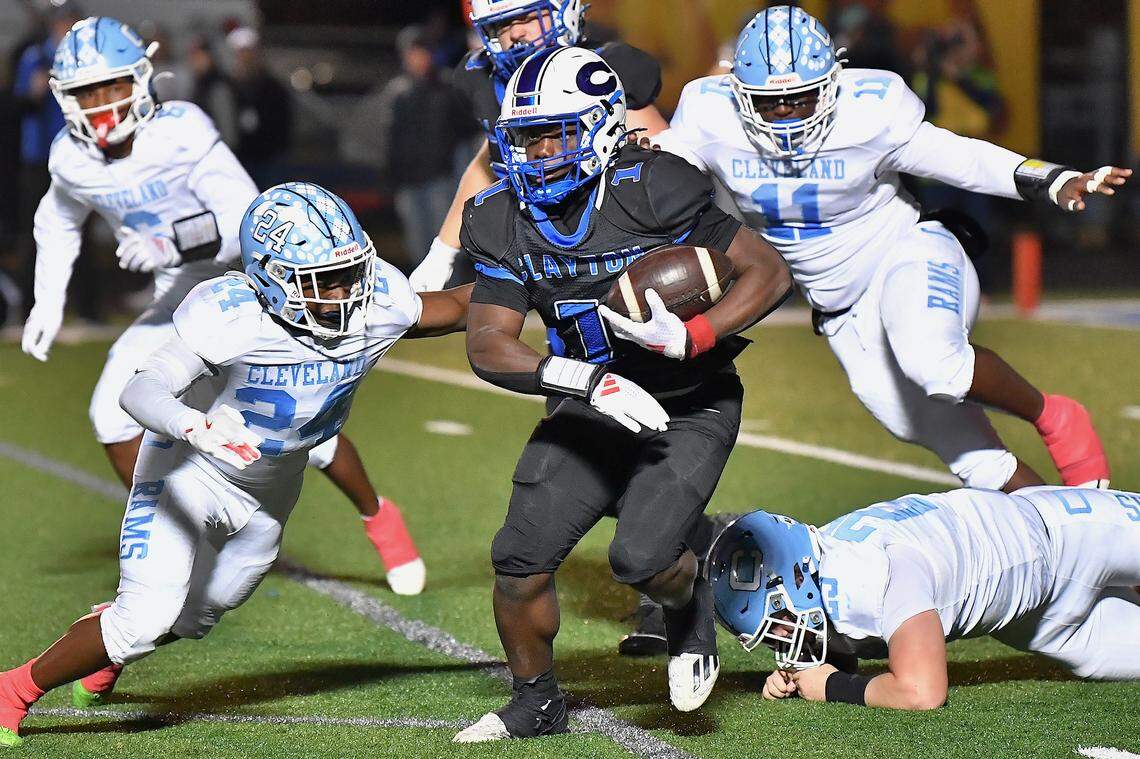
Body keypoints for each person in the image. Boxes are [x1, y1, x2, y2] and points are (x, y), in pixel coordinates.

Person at [0, 182, 473, 749]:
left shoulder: (378, 301)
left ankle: (109, 641)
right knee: (145, 618)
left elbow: (458, 308)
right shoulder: (230, 314)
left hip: (272, 490)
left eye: (350, 271)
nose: (346, 292)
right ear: (271, 279)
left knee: (197, 617)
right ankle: (14, 689)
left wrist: (549, 285)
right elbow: (141, 391)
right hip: (187, 471)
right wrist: (192, 424)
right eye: (324, 280)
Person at [19, 17, 425, 670]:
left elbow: (246, 217)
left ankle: (380, 516)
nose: (101, 108)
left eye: (110, 88)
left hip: (252, 279)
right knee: (116, 409)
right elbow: (56, 219)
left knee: (306, 420)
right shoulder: (70, 156)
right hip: (180, 292)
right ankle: (170, 536)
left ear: (141, 79)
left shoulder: (180, 129)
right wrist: (47, 298)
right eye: (86, 94)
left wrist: (172, 239)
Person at [452, 48, 792, 742]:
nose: (540, 153)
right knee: (519, 558)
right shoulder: (499, 217)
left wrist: (696, 334)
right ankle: (536, 701)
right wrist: (578, 378)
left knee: (640, 559)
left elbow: (768, 270)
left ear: (606, 127)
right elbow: (488, 339)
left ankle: (689, 602)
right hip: (589, 403)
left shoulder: (655, 187)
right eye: (526, 138)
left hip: (689, 399)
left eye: (558, 133)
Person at [656, 5, 1130, 494]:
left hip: (906, 252)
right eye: (769, 101)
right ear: (738, 92)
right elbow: (656, 175)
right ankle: (1076, 538)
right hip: (839, 309)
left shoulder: (872, 111)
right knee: (968, 457)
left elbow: (960, 157)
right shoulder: (710, 114)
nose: (785, 112)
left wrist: (1052, 179)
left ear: (832, 82)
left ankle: (1052, 415)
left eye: (800, 98)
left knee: (937, 366)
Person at [707, 485, 1140, 710]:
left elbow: (922, 692)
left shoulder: (879, 570)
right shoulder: (826, 567)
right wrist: (809, 671)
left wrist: (833, 685)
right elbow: (854, 627)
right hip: (1037, 622)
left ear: (800, 581)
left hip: (1069, 533)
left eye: (777, 624)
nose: (781, 642)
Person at [408, 0, 669, 291]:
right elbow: (489, 162)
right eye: (502, 25)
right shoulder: (484, 81)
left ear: (564, 11)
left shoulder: (603, 71)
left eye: (528, 17)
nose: (516, 33)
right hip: (549, 243)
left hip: (623, 239)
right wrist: (442, 252)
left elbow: (667, 162)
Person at [369, 25, 476, 268]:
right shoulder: (397, 92)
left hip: (441, 179)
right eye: (412, 53)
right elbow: (390, 139)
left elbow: (468, 133)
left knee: (446, 245)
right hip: (408, 182)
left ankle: (450, 295)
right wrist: (388, 176)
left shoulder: (448, 87)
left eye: (422, 52)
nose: (417, 59)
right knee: (417, 244)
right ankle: (425, 298)